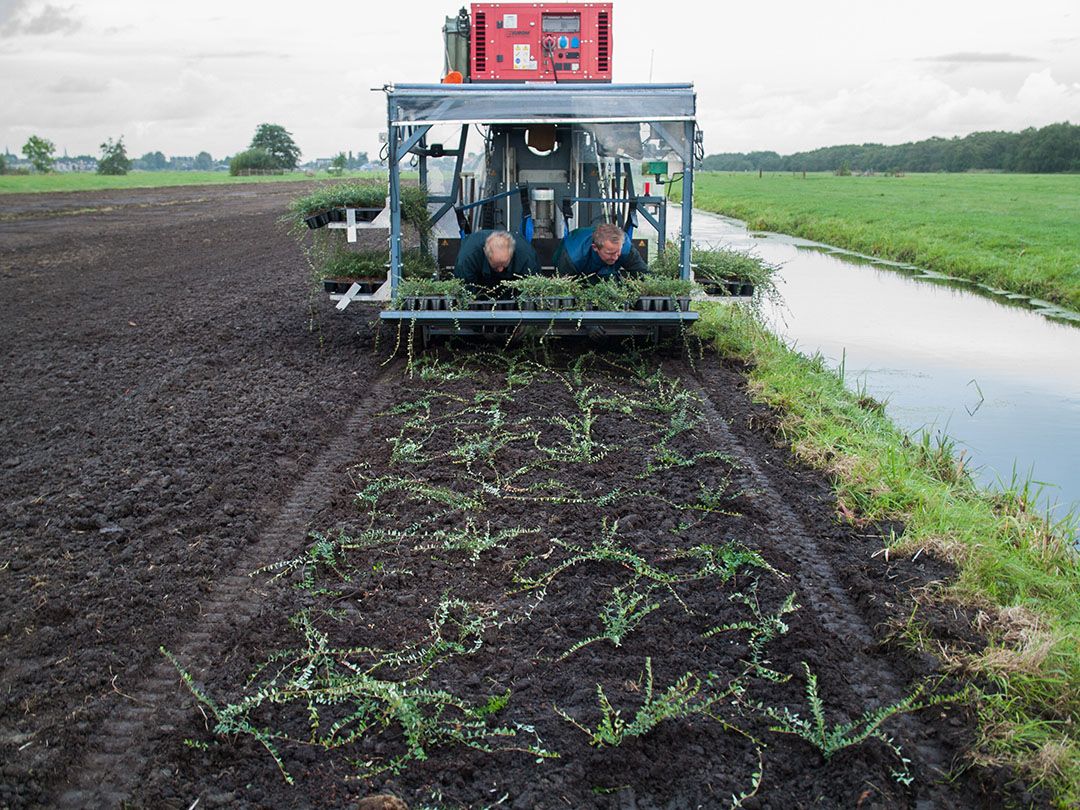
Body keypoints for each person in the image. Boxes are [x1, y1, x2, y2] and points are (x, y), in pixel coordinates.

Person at [453, 229, 540, 295]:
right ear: (485, 253)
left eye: (504, 264)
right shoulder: (467, 259)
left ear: (512, 253)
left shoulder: (527, 258)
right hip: (479, 291)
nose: (500, 269)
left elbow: (533, 292)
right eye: (496, 265)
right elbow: (464, 292)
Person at [553, 222, 648, 282]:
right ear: (595, 247)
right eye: (610, 253)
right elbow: (563, 288)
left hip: (605, 274)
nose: (615, 257)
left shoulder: (625, 247)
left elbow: (644, 274)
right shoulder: (572, 257)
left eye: (617, 252)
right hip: (576, 270)